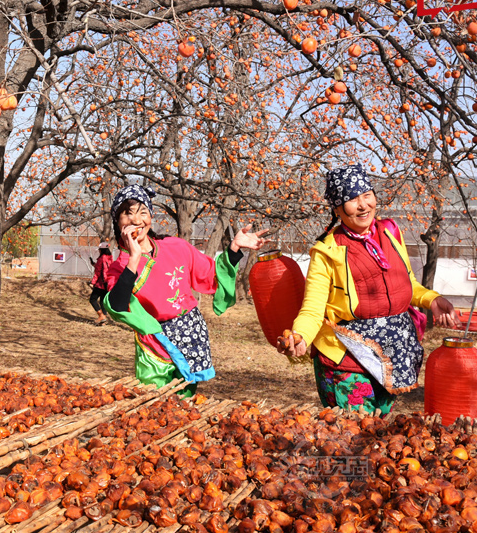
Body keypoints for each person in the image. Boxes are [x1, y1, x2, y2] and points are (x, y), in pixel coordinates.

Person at [278, 163, 457, 414]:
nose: (363, 205)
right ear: (338, 209)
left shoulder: (391, 232)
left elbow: (407, 284)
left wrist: (432, 299)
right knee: (350, 430)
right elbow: (313, 308)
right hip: (347, 355)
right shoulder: (327, 251)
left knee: (378, 426)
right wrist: (301, 336)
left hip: (391, 349)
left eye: (367, 195)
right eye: (352, 199)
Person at [103, 185, 270, 395]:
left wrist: (234, 249)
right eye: (127, 214)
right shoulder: (119, 268)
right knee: (153, 401)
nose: (137, 221)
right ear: (118, 223)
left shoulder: (176, 246)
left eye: (143, 212)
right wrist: (134, 258)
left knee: (185, 399)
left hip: (189, 330)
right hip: (154, 341)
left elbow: (211, 275)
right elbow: (117, 306)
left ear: (151, 217)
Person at [88, 243, 112, 325]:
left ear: (101, 250)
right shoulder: (110, 258)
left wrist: (92, 282)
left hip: (100, 284)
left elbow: (98, 272)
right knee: (102, 301)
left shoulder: (101, 258)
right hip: (108, 283)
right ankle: (104, 321)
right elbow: (104, 269)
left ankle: (101, 315)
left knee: (92, 299)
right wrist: (94, 264)